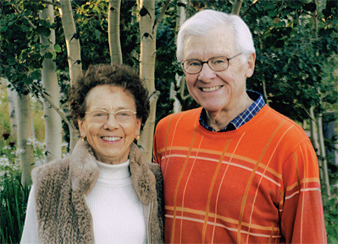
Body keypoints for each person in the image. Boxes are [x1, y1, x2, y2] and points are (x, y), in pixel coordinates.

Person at [153, 9, 327, 244]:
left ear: (249, 64)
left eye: (219, 61)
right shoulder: (167, 133)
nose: (205, 75)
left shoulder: (290, 145)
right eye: (193, 63)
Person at [21, 64, 164, 244]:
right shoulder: (49, 182)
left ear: (137, 125)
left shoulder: (157, 182)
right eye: (99, 114)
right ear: (82, 125)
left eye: (123, 114)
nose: (111, 124)